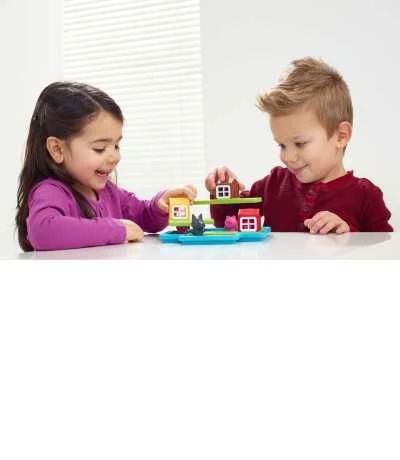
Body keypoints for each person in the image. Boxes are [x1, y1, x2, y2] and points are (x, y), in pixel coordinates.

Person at [205, 57, 393, 233]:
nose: (287, 157)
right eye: (282, 145)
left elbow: (386, 249)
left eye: (300, 144)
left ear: (341, 136)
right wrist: (222, 191)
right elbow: (227, 222)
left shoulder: (366, 197)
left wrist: (349, 235)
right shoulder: (273, 185)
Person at [16, 82, 196, 251]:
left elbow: (143, 217)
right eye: (100, 148)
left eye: (116, 146)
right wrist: (117, 229)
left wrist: (160, 205)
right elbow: (43, 232)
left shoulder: (109, 192)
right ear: (57, 149)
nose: (115, 157)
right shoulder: (50, 192)